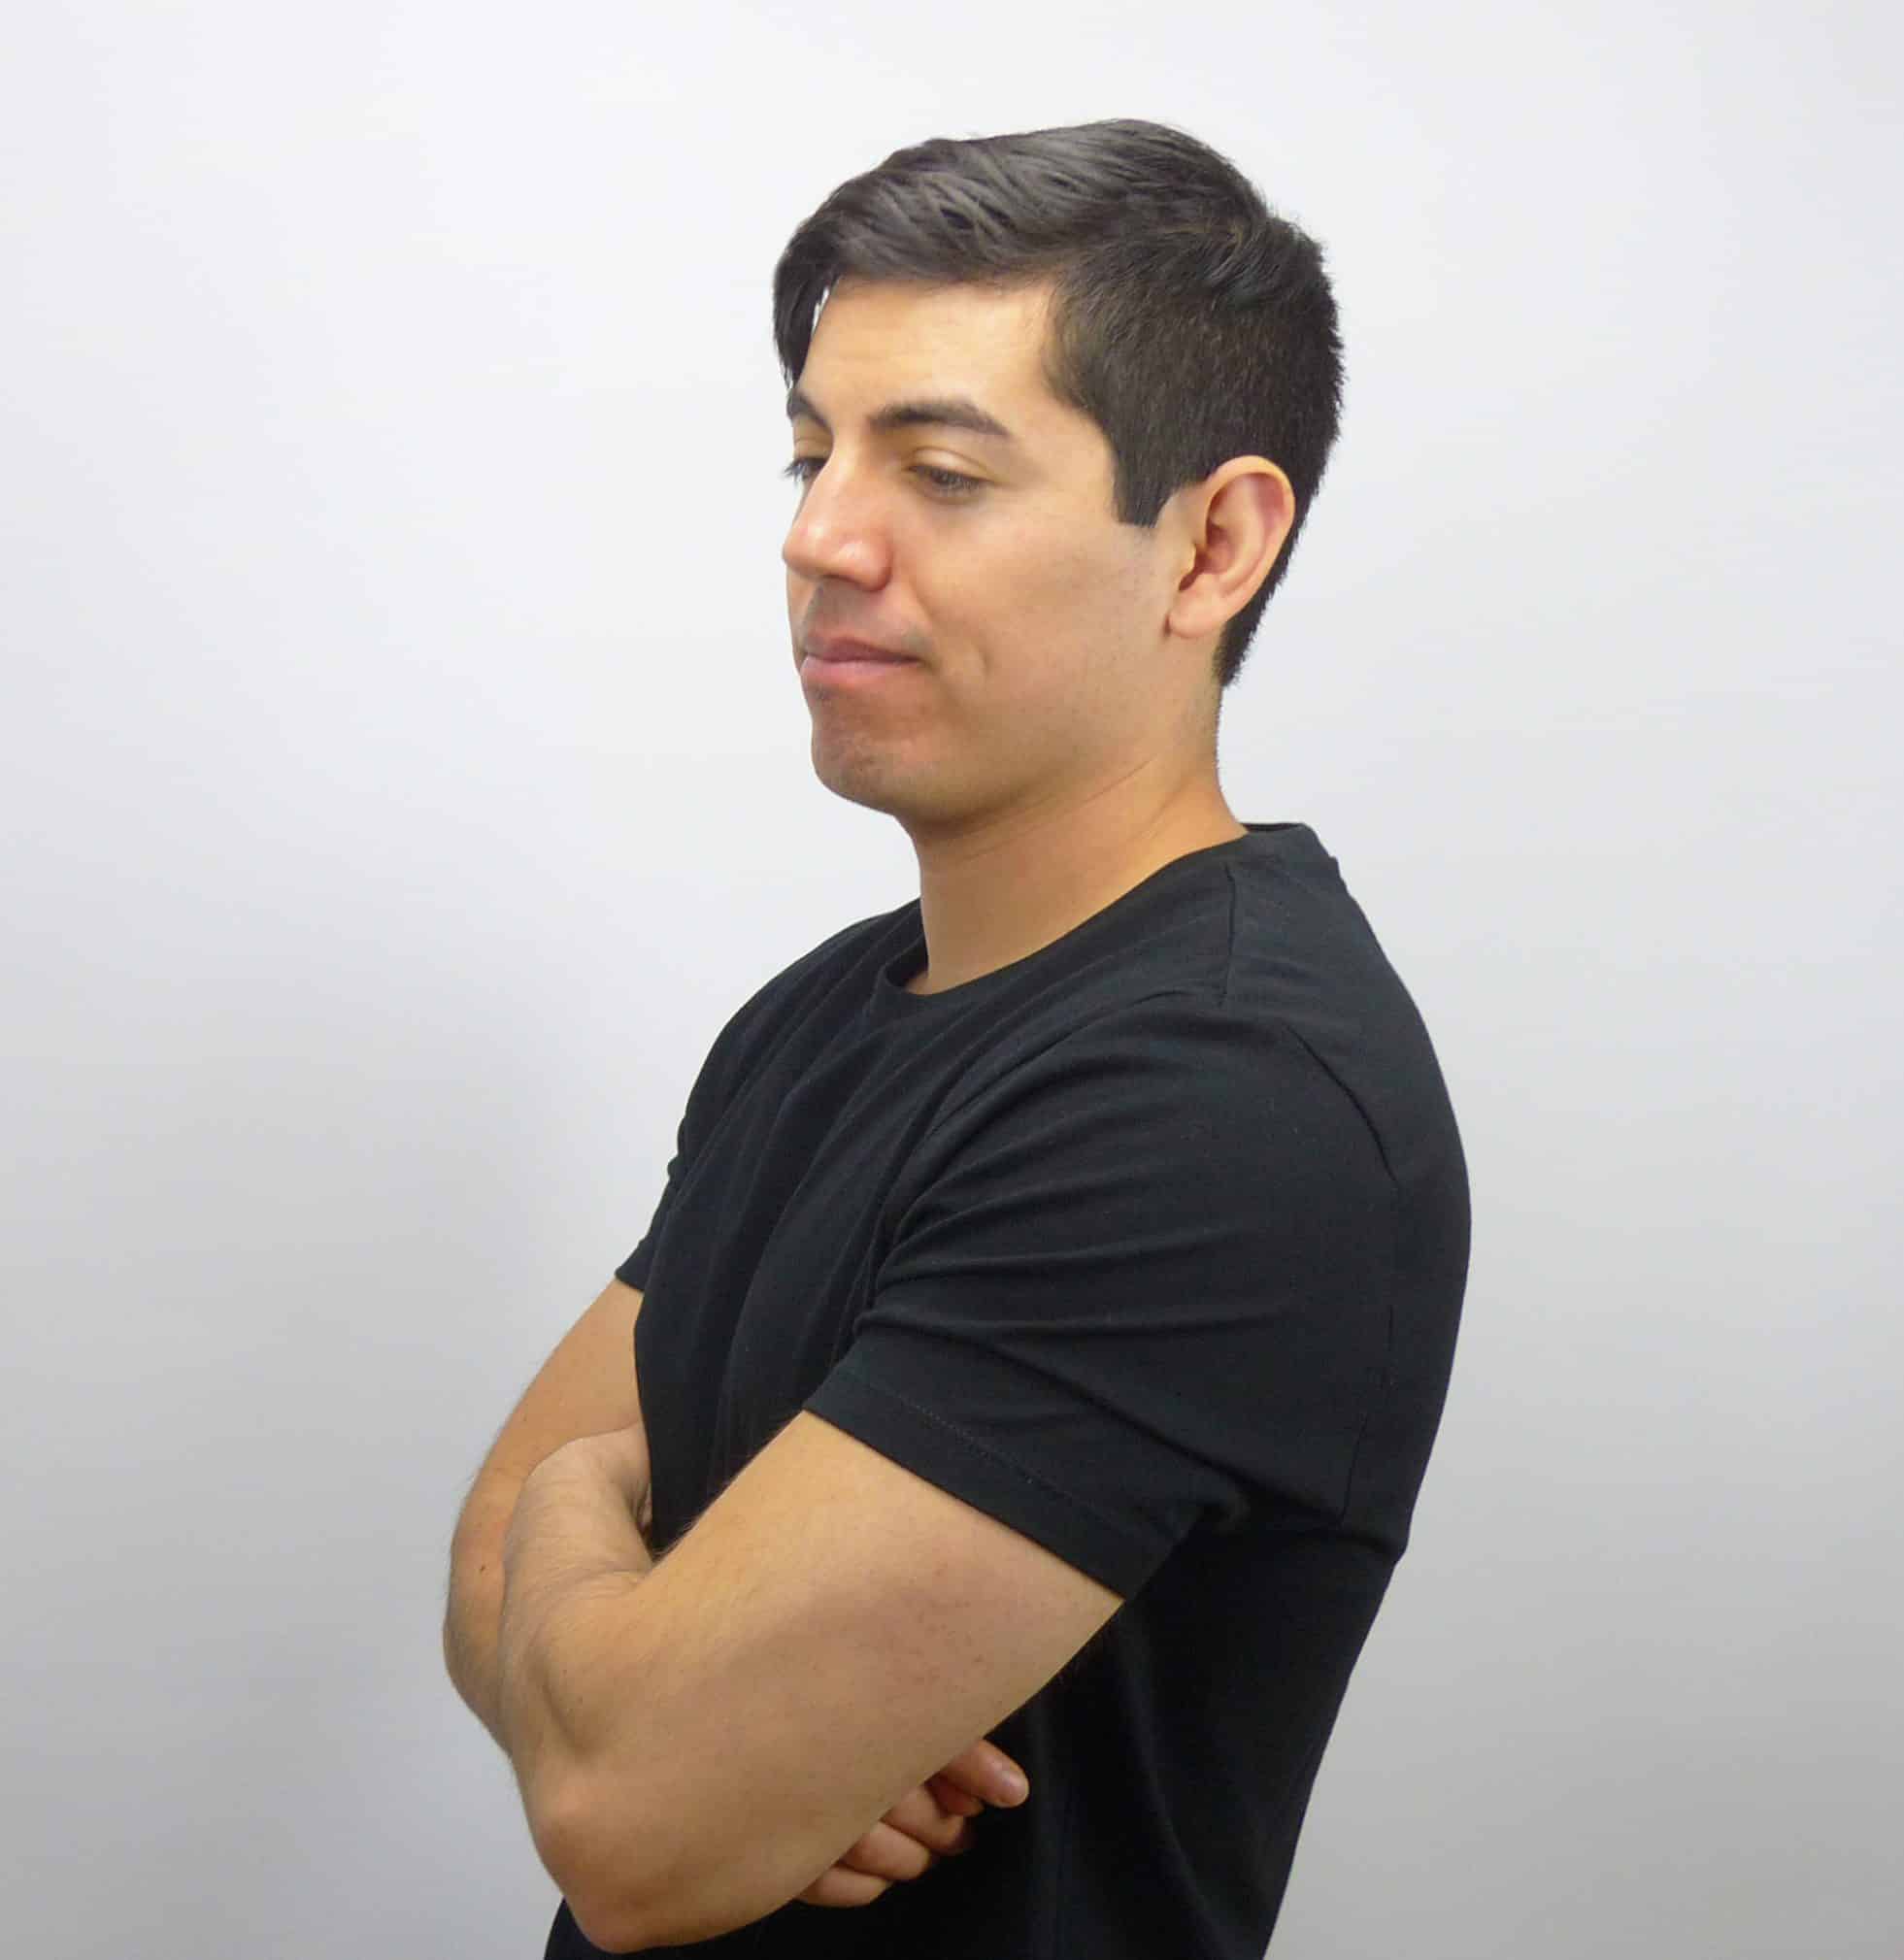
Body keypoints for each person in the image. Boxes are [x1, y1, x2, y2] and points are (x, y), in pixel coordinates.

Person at [444, 116, 1471, 1957]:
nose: (821, 536)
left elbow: (623, 1815)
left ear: (1213, 544)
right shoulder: (829, 1013)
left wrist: (616, 1581)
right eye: (812, 452)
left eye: (940, 471)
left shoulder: (1216, 1097)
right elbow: (488, 1571)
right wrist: (655, 1665)